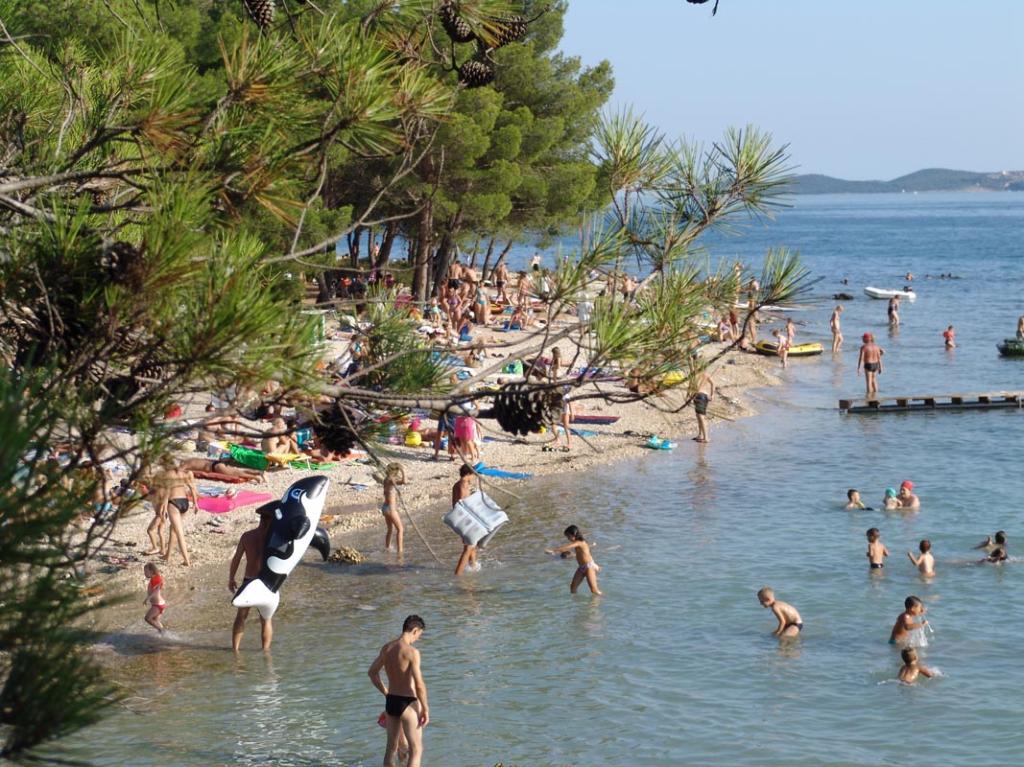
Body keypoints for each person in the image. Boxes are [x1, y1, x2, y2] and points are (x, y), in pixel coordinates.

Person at [368, 615, 429, 767]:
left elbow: (372, 673)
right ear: (415, 630)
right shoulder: (412, 652)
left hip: (391, 702)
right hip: (408, 703)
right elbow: (419, 685)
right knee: (416, 750)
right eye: (419, 635)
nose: (418, 639)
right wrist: (425, 709)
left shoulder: (387, 648)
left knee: (391, 750)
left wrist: (386, 693)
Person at [228, 510, 273, 651]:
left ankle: (235, 650)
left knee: (241, 616)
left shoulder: (247, 536)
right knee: (266, 618)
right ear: (270, 521)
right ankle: (266, 653)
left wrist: (231, 578)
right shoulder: (273, 538)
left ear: (261, 519)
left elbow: (236, 558)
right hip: (266, 582)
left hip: (249, 580)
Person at [154, 459, 198, 566]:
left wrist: (163, 506)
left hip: (174, 503)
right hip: (185, 502)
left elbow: (167, 492)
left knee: (179, 533)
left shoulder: (167, 474)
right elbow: (192, 488)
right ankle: (167, 556)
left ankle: (187, 561)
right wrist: (195, 503)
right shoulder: (183, 473)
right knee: (173, 529)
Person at [546, 525, 602, 595]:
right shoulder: (578, 543)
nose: (568, 538)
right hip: (581, 567)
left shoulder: (580, 542)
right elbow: (587, 554)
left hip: (589, 567)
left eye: (568, 536)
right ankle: (575, 601)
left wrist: (553, 550)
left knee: (594, 590)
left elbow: (567, 547)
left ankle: (602, 599)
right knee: (573, 588)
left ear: (574, 534)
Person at [452, 464, 478, 575]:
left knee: (472, 545)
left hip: (459, 518)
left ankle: (473, 567)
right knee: (468, 547)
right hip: (465, 519)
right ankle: (458, 575)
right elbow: (462, 503)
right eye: (473, 475)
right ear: (468, 474)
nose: (473, 477)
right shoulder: (463, 484)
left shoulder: (457, 484)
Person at [381, 463, 405, 555]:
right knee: (400, 529)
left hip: (385, 507)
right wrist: (403, 471)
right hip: (390, 509)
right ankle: (400, 552)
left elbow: (398, 483)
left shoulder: (386, 479)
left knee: (390, 529)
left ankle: (387, 548)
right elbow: (404, 481)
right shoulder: (391, 479)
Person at [143, 563, 166, 633]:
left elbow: (156, 591)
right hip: (158, 604)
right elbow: (151, 591)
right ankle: (163, 634)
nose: (144, 573)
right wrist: (147, 598)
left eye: (146, 571)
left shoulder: (156, 579)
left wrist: (148, 598)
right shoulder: (154, 579)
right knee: (155, 620)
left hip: (158, 605)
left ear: (151, 571)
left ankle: (161, 630)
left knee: (147, 618)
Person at [693, 372, 715, 444]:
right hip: (702, 396)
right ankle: (700, 435)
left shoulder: (697, 373)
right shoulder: (705, 373)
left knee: (701, 417)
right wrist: (712, 395)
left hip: (700, 396)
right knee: (698, 416)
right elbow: (713, 383)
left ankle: (706, 437)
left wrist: (712, 395)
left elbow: (713, 383)